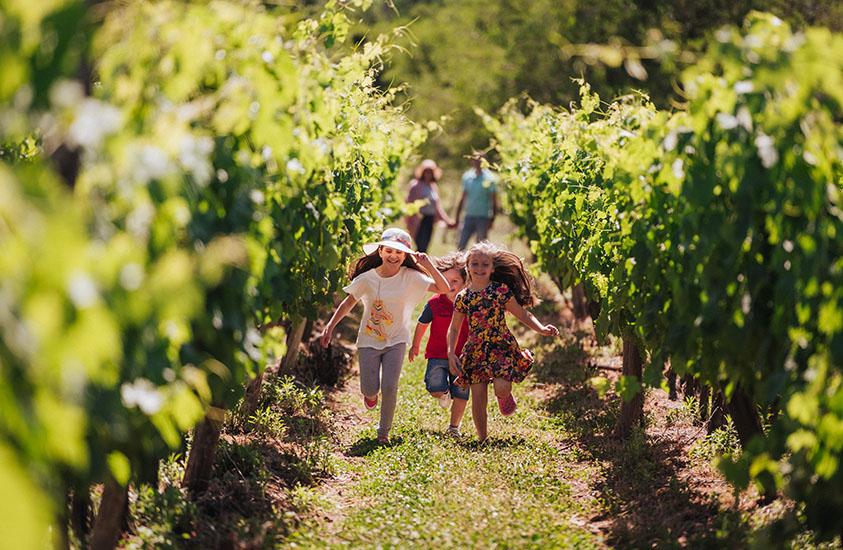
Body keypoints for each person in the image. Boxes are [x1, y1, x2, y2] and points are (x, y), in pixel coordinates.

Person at [320, 228, 450, 444]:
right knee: (370, 389)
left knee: (390, 386)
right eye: (389, 250)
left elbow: (443, 288)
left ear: (405, 256)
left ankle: (383, 432)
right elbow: (348, 302)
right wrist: (331, 326)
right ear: (380, 251)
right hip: (369, 341)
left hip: (396, 340)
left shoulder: (410, 277)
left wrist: (428, 265)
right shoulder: (367, 278)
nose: (394, 256)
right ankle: (370, 396)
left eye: (399, 253)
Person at [447, 242, 559, 442]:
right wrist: (451, 352)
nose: (479, 268)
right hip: (476, 350)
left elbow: (522, 314)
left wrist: (541, 328)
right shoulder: (463, 298)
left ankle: (504, 396)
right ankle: (482, 438)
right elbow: (454, 328)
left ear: (492, 268)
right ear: (468, 267)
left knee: (501, 386)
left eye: (484, 264)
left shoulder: (500, 291)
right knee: (478, 396)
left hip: (500, 346)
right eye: (475, 264)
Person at [408, 252, 471, 436]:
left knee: (461, 394)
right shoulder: (435, 302)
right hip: (437, 354)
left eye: (455, 281)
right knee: (434, 386)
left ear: (465, 283)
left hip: (462, 357)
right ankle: (444, 393)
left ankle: (454, 427)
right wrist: (415, 345)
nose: (450, 286)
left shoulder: (469, 304)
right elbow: (422, 324)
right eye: (446, 280)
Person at [405, 159, 456, 252]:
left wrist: (447, 220)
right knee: (421, 245)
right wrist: (412, 220)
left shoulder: (433, 186)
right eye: (426, 171)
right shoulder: (415, 185)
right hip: (420, 219)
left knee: (425, 247)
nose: (428, 174)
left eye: (430, 172)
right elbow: (409, 203)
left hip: (430, 219)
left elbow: (437, 207)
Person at [455, 152, 498, 251]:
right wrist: (457, 216)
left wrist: (492, 219)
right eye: (475, 159)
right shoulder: (467, 177)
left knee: (481, 248)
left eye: (480, 160)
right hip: (469, 216)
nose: (477, 162)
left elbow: (494, 200)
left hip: (483, 217)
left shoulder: (490, 178)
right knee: (461, 245)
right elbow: (463, 197)